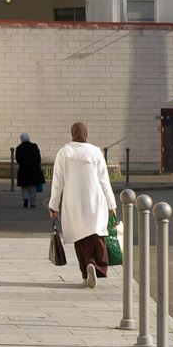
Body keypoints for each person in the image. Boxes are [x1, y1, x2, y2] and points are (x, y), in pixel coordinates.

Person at [48, 122, 117, 288]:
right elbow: (104, 180)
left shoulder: (64, 152)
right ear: (86, 132)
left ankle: (86, 271)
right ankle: (97, 267)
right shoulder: (95, 151)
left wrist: (54, 205)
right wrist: (111, 204)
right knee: (97, 234)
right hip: (95, 199)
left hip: (73, 201)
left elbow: (57, 182)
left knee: (80, 238)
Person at [14, 133, 44, 208]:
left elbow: (18, 159)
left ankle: (25, 199)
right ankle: (33, 202)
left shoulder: (19, 148)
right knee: (33, 187)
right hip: (34, 170)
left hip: (24, 170)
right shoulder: (34, 146)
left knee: (24, 186)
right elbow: (38, 158)